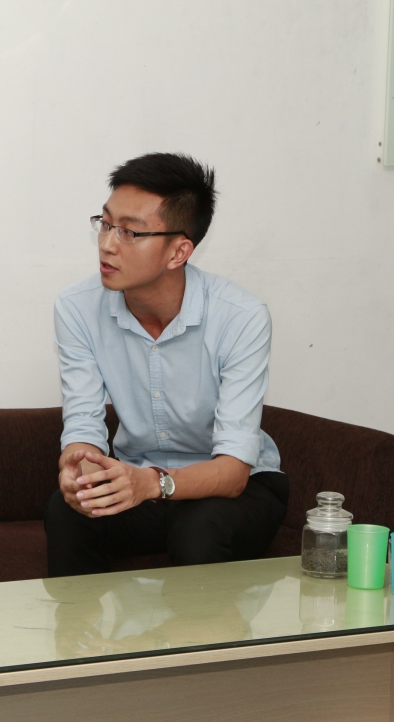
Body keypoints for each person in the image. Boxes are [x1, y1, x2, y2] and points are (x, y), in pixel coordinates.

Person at [45, 152, 289, 577]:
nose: (107, 244)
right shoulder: (76, 308)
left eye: (130, 232)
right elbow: (83, 421)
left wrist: (152, 484)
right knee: (67, 512)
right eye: (105, 224)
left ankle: (205, 626)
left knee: (199, 530)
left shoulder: (241, 317)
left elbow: (233, 472)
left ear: (179, 252)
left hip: (235, 491)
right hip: (138, 480)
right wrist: (77, 468)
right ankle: (77, 625)